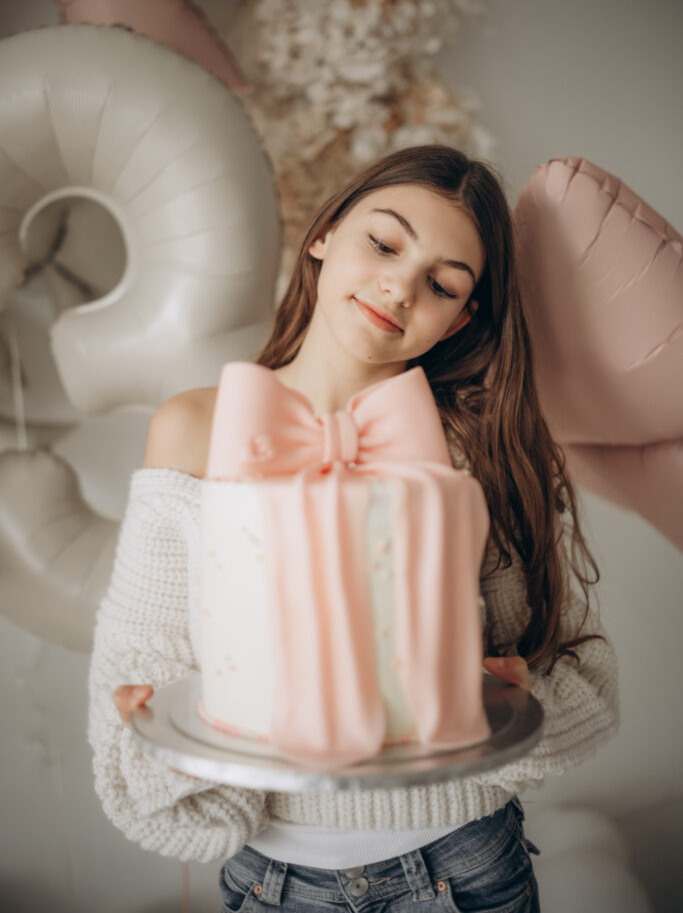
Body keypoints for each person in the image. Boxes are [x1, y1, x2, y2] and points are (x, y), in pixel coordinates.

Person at [89, 145, 619, 912]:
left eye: (440, 283)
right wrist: (178, 752)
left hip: (462, 863)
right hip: (274, 880)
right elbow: (136, 666)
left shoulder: (476, 450)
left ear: (460, 318)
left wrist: (486, 715)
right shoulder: (194, 429)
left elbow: (578, 674)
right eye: (382, 242)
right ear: (324, 234)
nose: (398, 286)